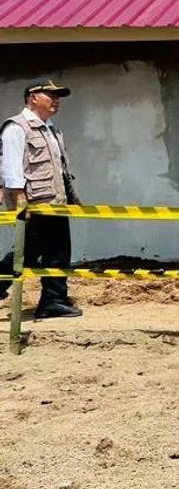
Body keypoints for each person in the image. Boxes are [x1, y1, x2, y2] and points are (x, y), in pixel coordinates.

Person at [0, 80, 82, 319]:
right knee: (29, 251)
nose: (56, 100)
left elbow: (59, 168)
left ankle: (53, 301)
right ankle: (52, 301)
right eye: (51, 95)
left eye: (58, 96)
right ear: (33, 97)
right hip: (34, 203)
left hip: (54, 202)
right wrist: (20, 202)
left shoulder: (51, 129)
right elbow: (11, 168)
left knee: (55, 250)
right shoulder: (16, 127)